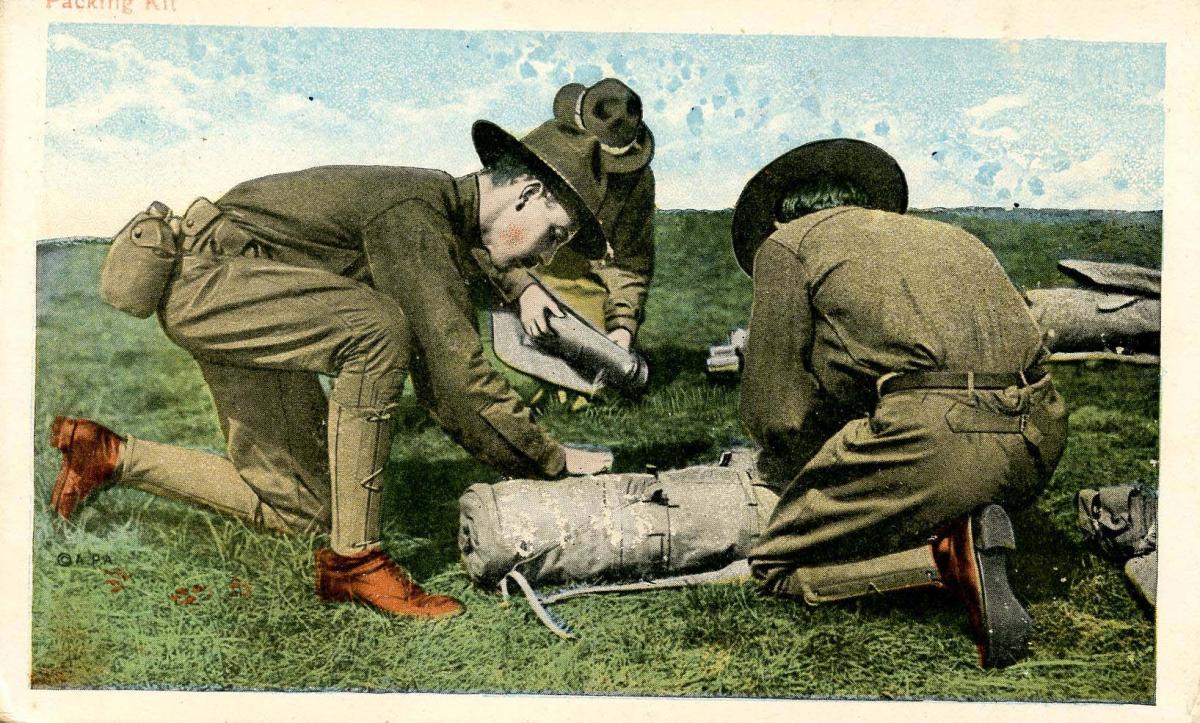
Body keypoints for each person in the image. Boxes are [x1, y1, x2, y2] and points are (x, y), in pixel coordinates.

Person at [48, 115, 616, 619]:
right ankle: (356, 563)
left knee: (304, 510)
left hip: (230, 287)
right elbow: (453, 378)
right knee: (377, 331)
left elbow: (459, 265)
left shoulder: (431, 208)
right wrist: (552, 460)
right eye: (555, 235)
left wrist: (520, 287)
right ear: (528, 193)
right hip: (215, 283)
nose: (548, 255)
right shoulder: (414, 214)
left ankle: (110, 455)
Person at [733, 139, 1068, 668]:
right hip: (1039, 439)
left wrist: (802, 470)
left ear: (779, 216)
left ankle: (946, 559)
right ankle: (965, 525)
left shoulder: (787, 244)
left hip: (937, 445)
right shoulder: (952, 235)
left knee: (776, 565)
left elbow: (776, 413)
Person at [493, 78, 655, 359]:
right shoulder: (541, 148)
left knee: (601, 359)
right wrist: (523, 287)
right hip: (514, 271)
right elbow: (491, 231)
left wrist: (623, 325)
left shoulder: (636, 181)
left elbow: (630, 263)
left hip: (579, 282)